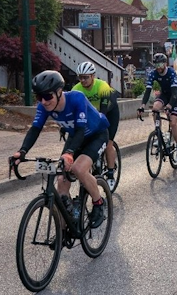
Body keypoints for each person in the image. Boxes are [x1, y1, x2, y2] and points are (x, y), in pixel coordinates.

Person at [10, 71, 106, 228]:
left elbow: (81, 130)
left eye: (47, 97)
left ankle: (98, 202)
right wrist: (22, 152)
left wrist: (69, 153)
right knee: (61, 179)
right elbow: (35, 129)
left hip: (96, 134)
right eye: (39, 97)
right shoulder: (44, 106)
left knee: (78, 169)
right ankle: (64, 228)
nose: (44, 101)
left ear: (59, 92)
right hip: (75, 137)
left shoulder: (77, 98)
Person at [72, 62, 120, 191]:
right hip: (92, 115)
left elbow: (103, 111)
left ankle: (110, 174)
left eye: (86, 77)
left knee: (108, 143)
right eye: (80, 77)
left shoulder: (102, 86)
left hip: (109, 113)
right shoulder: (76, 89)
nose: (82, 80)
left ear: (93, 76)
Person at [137, 53, 177, 163]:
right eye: (156, 65)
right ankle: (159, 134)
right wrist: (142, 105)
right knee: (155, 108)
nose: (158, 67)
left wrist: (169, 106)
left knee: (173, 123)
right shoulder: (153, 73)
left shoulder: (171, 72)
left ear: (165, 64)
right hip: (164, 94)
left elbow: (174, 94)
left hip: (176, 95)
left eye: (161, 64)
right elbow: (148, 91)